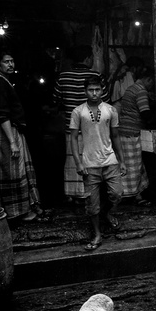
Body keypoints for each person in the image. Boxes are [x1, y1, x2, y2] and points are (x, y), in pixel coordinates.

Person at [0, 51, 45, 223]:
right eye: (6, 62)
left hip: (12, 131)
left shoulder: (4, 81)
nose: (11, 64)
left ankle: (25, 209)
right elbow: (2, 115)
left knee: (18, 170)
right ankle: (17, 212)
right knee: (13, 172)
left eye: (12, 61)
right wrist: (12, 142)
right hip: (7, 133)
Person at [70, 75, 125, 250]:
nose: (94, 93)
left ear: (102, 91)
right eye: (90, 90)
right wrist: (78, 162)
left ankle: (106, 213)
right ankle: (97, 234)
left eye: (97, 90)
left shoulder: (111, 110)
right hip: (89, 163)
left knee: (117, 194)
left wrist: (121, 160)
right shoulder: (78, 112)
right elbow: (73, 138)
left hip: (110, 160)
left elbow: (116, 136)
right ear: (85, 91)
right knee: (91, 204)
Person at [53, 46, 103, 205]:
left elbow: (55, 100)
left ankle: (73, 194)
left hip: (71, 128)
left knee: (73, 161)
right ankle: (89, 193)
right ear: (88, 58)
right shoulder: (95, 76)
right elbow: (105, 100)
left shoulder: (63, 77)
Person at [117, 66, 154, 205]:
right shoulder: (141, 91)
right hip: (132, 131)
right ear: (148, 79)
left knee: (135, 164)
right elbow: (145, 112)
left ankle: (137, 194)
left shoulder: (131, 88)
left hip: (124, 130)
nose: (152, 87)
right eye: (152, 83)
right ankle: (128, 194)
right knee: (133, 165)